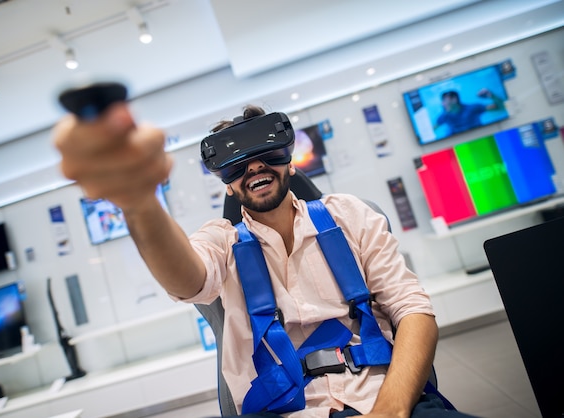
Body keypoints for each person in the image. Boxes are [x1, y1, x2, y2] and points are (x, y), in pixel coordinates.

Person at [53, 103, 480, 418]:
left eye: (267, 153)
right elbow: (187, 280)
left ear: (289, 162)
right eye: (237, 164)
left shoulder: (353, 216)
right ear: (229, 187)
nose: (254, 165)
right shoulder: (221, 242)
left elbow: (414, 311)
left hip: (387, 396)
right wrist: (139, 202)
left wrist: (391, 409)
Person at [436, 88, 505, 135]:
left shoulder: (472, 109)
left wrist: (491, 95)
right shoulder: (443, 117)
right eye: (443, 101)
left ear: (455, 99)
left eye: (445, 101)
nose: (443, 104)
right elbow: (429, 131)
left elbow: (502, 107)